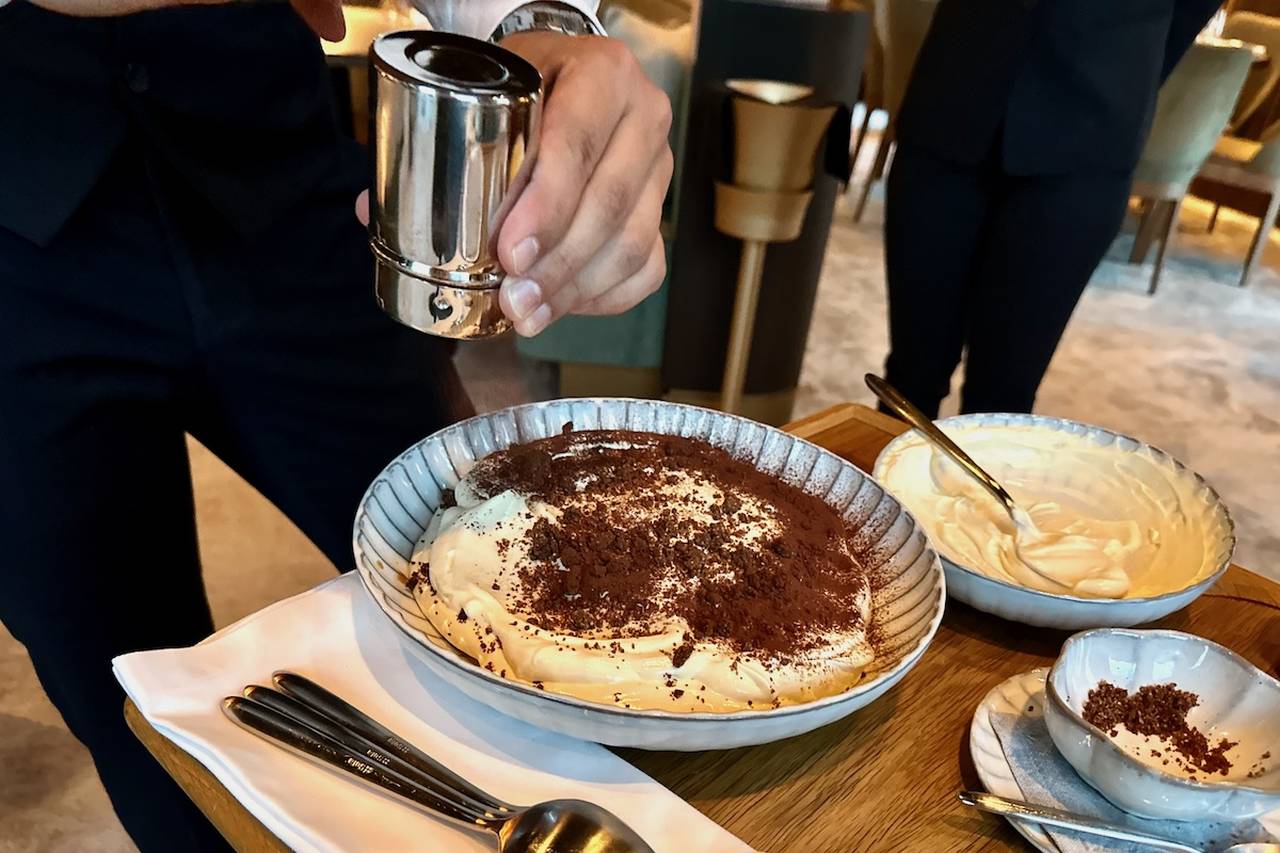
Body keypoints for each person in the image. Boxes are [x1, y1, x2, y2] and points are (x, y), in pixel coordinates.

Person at [0, 0, 673, 848]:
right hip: (14, 246)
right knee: (129, 694)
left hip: (286, 187)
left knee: (498, 586)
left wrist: (535, 26)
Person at [881, 0, 1222, 418]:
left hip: (1089, 134)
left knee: (1004, 395)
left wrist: (1124, 68)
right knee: (908, 378)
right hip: (951, 100)